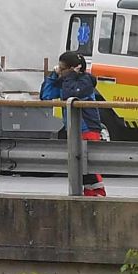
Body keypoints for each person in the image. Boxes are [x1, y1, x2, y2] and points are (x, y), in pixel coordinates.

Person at [39, 51, 107, 197]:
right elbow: (45, 95)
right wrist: (53, 75)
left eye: (62, 68)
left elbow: (71, 94)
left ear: (74, 68)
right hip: (73, 129)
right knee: (78, 166)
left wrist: (69, 76)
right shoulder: (66, 81)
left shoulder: (86, 81)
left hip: (88, 128)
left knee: (88, 165)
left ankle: (98, 193)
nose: (59, 70)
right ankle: (88, 194)